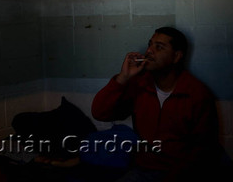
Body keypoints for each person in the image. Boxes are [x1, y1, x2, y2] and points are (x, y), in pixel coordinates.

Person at [91, 27, 221, 182]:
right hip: (144, 170)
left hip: (182, 174)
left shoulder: (197, 94)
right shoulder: (140, 85)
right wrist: (122, 78)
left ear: (176, 56)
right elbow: (100, 113)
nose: (149, 51)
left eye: (159, 47)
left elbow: (202, 151)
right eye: (150, 45)